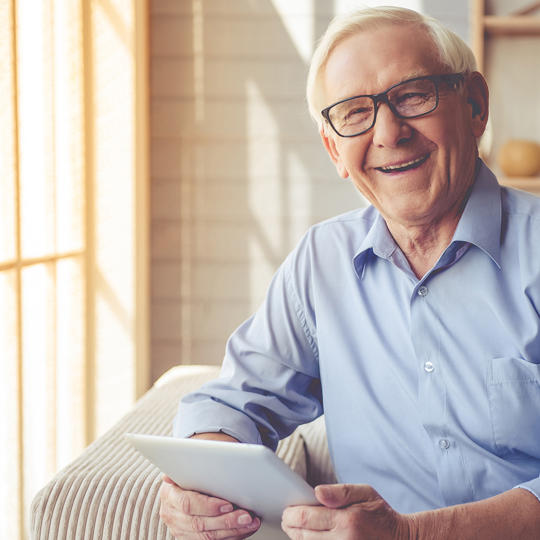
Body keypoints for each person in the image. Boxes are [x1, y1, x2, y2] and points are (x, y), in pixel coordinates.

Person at [159, 6, 540, 539]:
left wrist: (414, 535)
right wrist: (201, 479)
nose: (388, 132)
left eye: (413, 95)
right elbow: (231, 402)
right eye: (354, 113)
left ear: (475, 105)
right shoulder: (322, 261)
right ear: (333, 149)